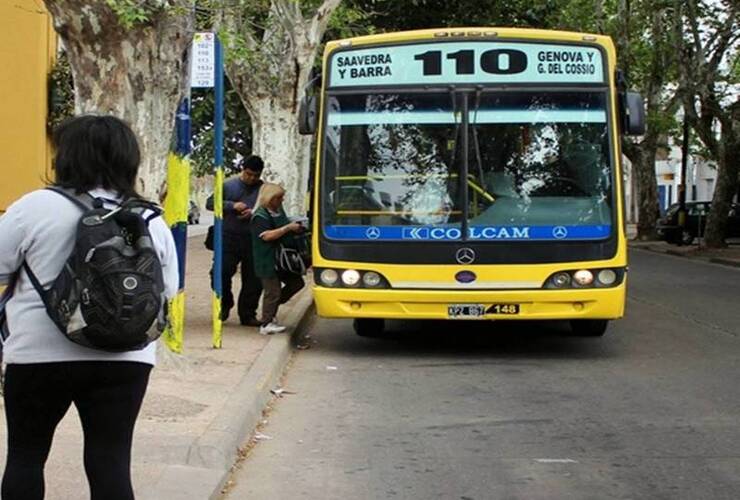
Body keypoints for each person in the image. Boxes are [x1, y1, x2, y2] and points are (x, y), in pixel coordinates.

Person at [0, 115, 179, 500]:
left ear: (66, 156)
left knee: (26, 458)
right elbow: (171, 289)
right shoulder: (149, 218)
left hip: (37, 357)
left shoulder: (34, 207)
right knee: (110, 462)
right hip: (126, 357)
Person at [206, 155, 264, 326]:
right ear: (242, 170)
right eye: (248, 174)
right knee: (219, 272)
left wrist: (254, 212)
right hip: (228, 238)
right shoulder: (228, 186)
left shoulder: (264, 189)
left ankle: (247, 314)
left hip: (254, 239)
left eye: (256, 175)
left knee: (254, 279)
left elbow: (273, 207)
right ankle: (225, 302)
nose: (252, 178)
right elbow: (210, 204)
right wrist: (232, 206)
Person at [250, 183, 305, 335]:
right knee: (272, 291)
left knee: (296, 283)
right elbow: (266, 235)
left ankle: (272, 310)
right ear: (270, 198)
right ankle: (266, 323)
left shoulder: (278, 211)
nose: (282, 200)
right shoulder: (259, 216)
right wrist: (287, 228)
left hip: (283, 259)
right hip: (267, 259)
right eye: (279, 198)